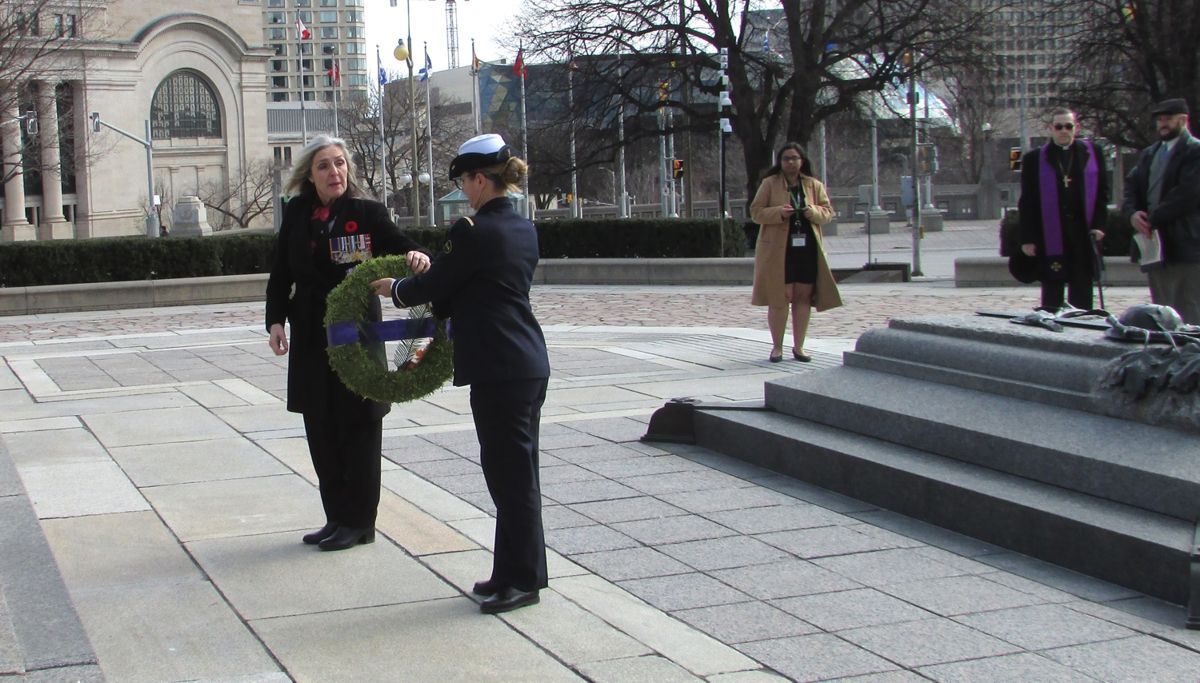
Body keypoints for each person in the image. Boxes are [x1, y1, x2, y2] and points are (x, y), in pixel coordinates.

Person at [370, 134, 550, 615]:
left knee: (510, 478)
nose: (464, 191)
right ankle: (510, 571)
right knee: (514, 473)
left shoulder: (473, 230)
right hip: (524, 362)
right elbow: (474, 288)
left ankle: (524, 580)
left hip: (499, 365)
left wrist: (396, 289)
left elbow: (439, 282)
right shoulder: (522, 228)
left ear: (479, 180)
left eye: (465, 181)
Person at [265, 134, 431, 551]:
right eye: (324, 165)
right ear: (310, 174)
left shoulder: (367, 213)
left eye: (339, 163)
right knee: (320, 427)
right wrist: (276, 321)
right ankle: (336, 517)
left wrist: (418, 258)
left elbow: (406, 249)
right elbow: (281, 273)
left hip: (356, 336)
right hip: (310, 336)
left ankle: (360, 522)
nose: (334, 172)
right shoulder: (297, 213)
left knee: (358, 427)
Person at [749, 142, 842, 362]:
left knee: (803, 297)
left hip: (806, 248)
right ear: (780, 162)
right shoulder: (770, 184)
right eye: (786, 159)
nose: (791, 162)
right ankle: (777, 347)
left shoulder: (813, 184)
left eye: (794, 158)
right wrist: (779, 212)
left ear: (802, 161)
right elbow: (756, 212)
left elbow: (828, 212)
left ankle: (799, 347)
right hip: (779, 250)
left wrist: (813, 212)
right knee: (780, 297)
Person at [1017, 107, 1110, 311]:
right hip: (1050, 233)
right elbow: (1027, 202)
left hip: (1083, 232)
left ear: (1077, 127)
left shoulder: (1092, 153)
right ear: (1051, 128)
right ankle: (1051, 322)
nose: (1063, 131)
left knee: (1082, 288)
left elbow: (1102, 193)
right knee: (1052, 289)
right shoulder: (1035, 159)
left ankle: (1081, 323)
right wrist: (1027, 238)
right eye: (1058, 127)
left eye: (1068, 126)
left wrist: (1099, 225)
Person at [1123, 98, 1200, 323]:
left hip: (1185, 243)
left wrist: (1152, 219)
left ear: (1183, 120)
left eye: (1168, 119)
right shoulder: (1150, 153)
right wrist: (1133, 214)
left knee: (1188, 308)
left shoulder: (1194, 151)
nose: (1162, 124)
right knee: (1161, 311)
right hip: (1154, 246)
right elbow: (1132, 187)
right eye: (1159, 120)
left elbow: (1187, 194)